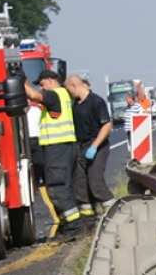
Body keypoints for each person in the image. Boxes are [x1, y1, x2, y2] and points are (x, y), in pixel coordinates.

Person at [24, 70, 83, 240]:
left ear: (50, 80)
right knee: (64, 187)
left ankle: (74, 225)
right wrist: (22, 77)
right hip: (63, 147)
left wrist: (20, 84)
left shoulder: (54, 95)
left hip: (58, 148)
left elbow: (34, 96)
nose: (41, 88)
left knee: (58, 188)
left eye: (42, 84)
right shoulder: (62, 95)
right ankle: (68, 225)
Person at [65, 74, 116, 230]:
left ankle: (115, 217)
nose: (69, 93)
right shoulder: (75, 104)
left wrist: (94, 146)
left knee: (96, 184)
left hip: (96, 145)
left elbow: (106, 125)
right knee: (81, 187)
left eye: (68, 90)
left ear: (74, 85)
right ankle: (89, 226)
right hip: (82, 147)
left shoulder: (96, 102)